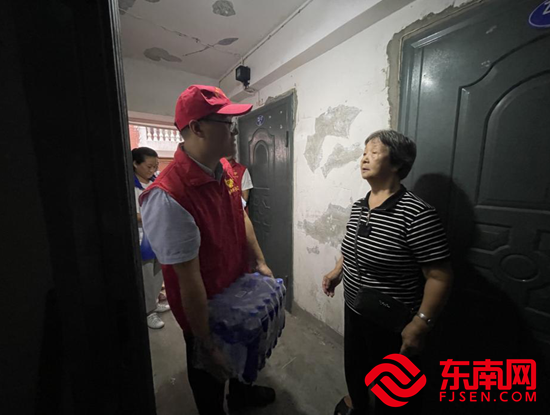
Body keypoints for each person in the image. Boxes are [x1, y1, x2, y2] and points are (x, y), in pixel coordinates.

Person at [139, 85, 276, 415]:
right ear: (197, 128)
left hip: (237, 285)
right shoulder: (168, 195)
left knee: (243, 350)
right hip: (205, 307)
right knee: (209, 371)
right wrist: (206, 341)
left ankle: (241, 394)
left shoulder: (224, 168)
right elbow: (188, 280)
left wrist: (259, 261)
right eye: (225, 123)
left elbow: (240, 214)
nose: (233, 131)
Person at [322, 130, 453, 415]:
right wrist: (337, 272)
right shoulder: (360, 207)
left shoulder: (416, 214)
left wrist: (420, 324)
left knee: (393, 389)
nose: (364, 158)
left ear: (397, 163)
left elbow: (439, 276)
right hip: (355, 308)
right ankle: (358, 404)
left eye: (373, 152)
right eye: (363, 153)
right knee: (355, 365)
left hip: (390, 321)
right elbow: (352, 248)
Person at [132, 147, 170, 329]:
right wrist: (154, 215)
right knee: (146, 276)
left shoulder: (156, 182)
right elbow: (133, 214)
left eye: (155, 166)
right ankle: (148, 312)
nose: (153, 170)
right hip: (143, 238)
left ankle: (153, 302)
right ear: (135, 163)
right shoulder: (131, 186)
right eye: (149, 166)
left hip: (160, 234)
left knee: (157, 273)